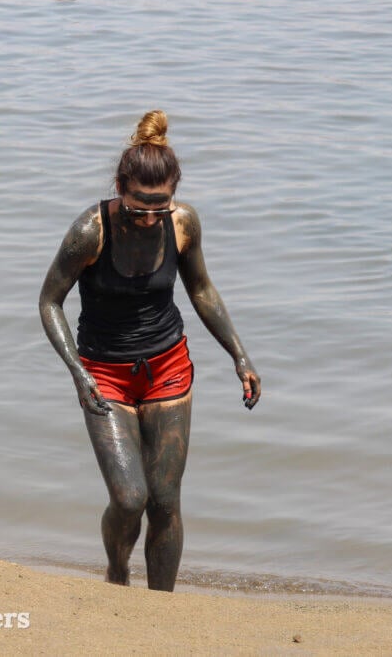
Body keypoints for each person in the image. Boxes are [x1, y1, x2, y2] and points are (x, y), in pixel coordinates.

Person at [38, 110, 261, 592]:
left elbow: (201, 290)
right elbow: (49, 301)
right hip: (104, 374)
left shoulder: (183, 224)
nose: (149, 216)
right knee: (129, 497)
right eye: (140, 204)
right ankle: (117, 574)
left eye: (160, 206)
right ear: (120, 187)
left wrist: (239, 355)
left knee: (164, 501)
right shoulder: (89, 231)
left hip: (168, 369)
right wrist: (78, 372)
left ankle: (162, 605)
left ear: (174, 194)